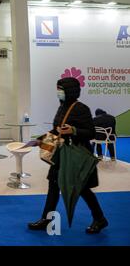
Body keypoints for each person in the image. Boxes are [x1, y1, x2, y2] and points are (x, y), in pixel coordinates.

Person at [28, 77, 108, 234]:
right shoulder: (62, 107)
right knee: (53, 184)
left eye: (61, 89)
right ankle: (47, 219)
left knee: (83, 189)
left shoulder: (81, 108)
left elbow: (91, 132)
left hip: (75, 157)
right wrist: (39, 140)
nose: (58, 92)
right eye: (58, 89)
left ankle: (99, 218)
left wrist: (74, 131)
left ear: (69, 91)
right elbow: (57, 130)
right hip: (61, 155)